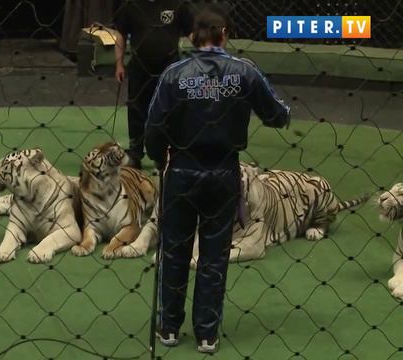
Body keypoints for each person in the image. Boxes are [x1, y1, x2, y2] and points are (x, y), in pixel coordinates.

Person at [145, 4, 290, 353]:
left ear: (193, 37)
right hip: (224, 173)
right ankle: (207, 333)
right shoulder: (245, 70)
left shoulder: (174, 74)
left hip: (181, 171)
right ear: (225, 34)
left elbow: (153, 126)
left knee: (176, 249)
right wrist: (283, 114)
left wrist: (158, 155)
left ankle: (168, 327)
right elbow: (276, 114)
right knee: (213, 255)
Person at [114, 0, 193, 169]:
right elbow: (120, 34)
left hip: (170, 66)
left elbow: (191, 32)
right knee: (136, 108)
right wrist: (119, 63)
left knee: (169, 109)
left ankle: (164, 153)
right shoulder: (131, 5)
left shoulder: (177, 4)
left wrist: (205, 59)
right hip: (140, 66)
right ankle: (135, 153)